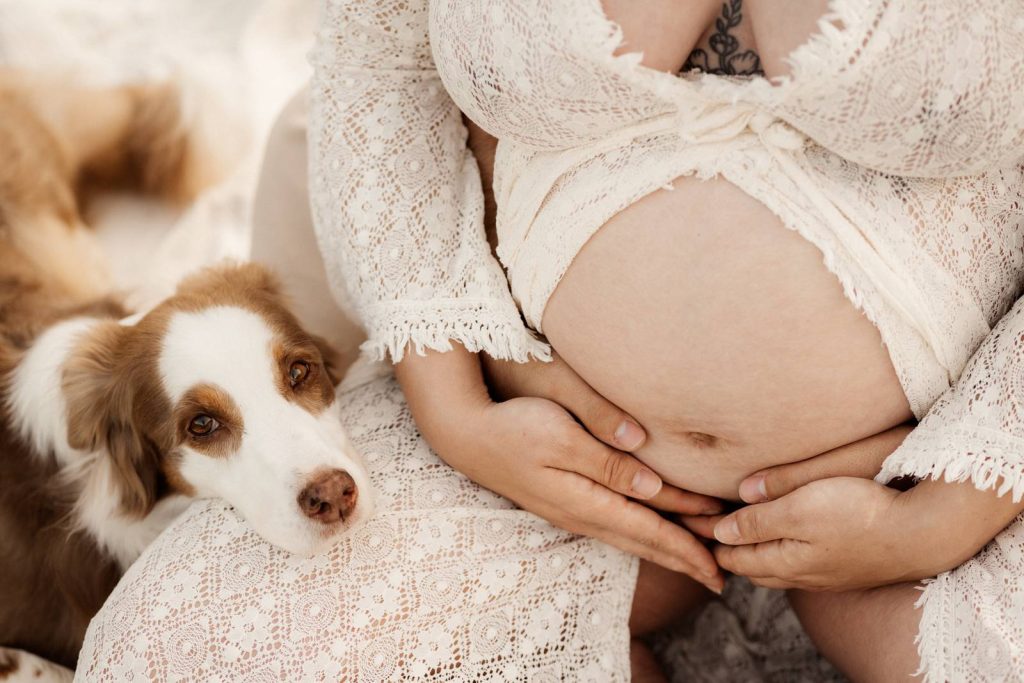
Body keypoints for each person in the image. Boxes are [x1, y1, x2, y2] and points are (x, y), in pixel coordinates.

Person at [79, 1, 1024, 680]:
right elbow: (385, 71)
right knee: (162, 656)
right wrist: (459, 410)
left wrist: (945, 511)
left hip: (955, 476)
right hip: (531, 449)